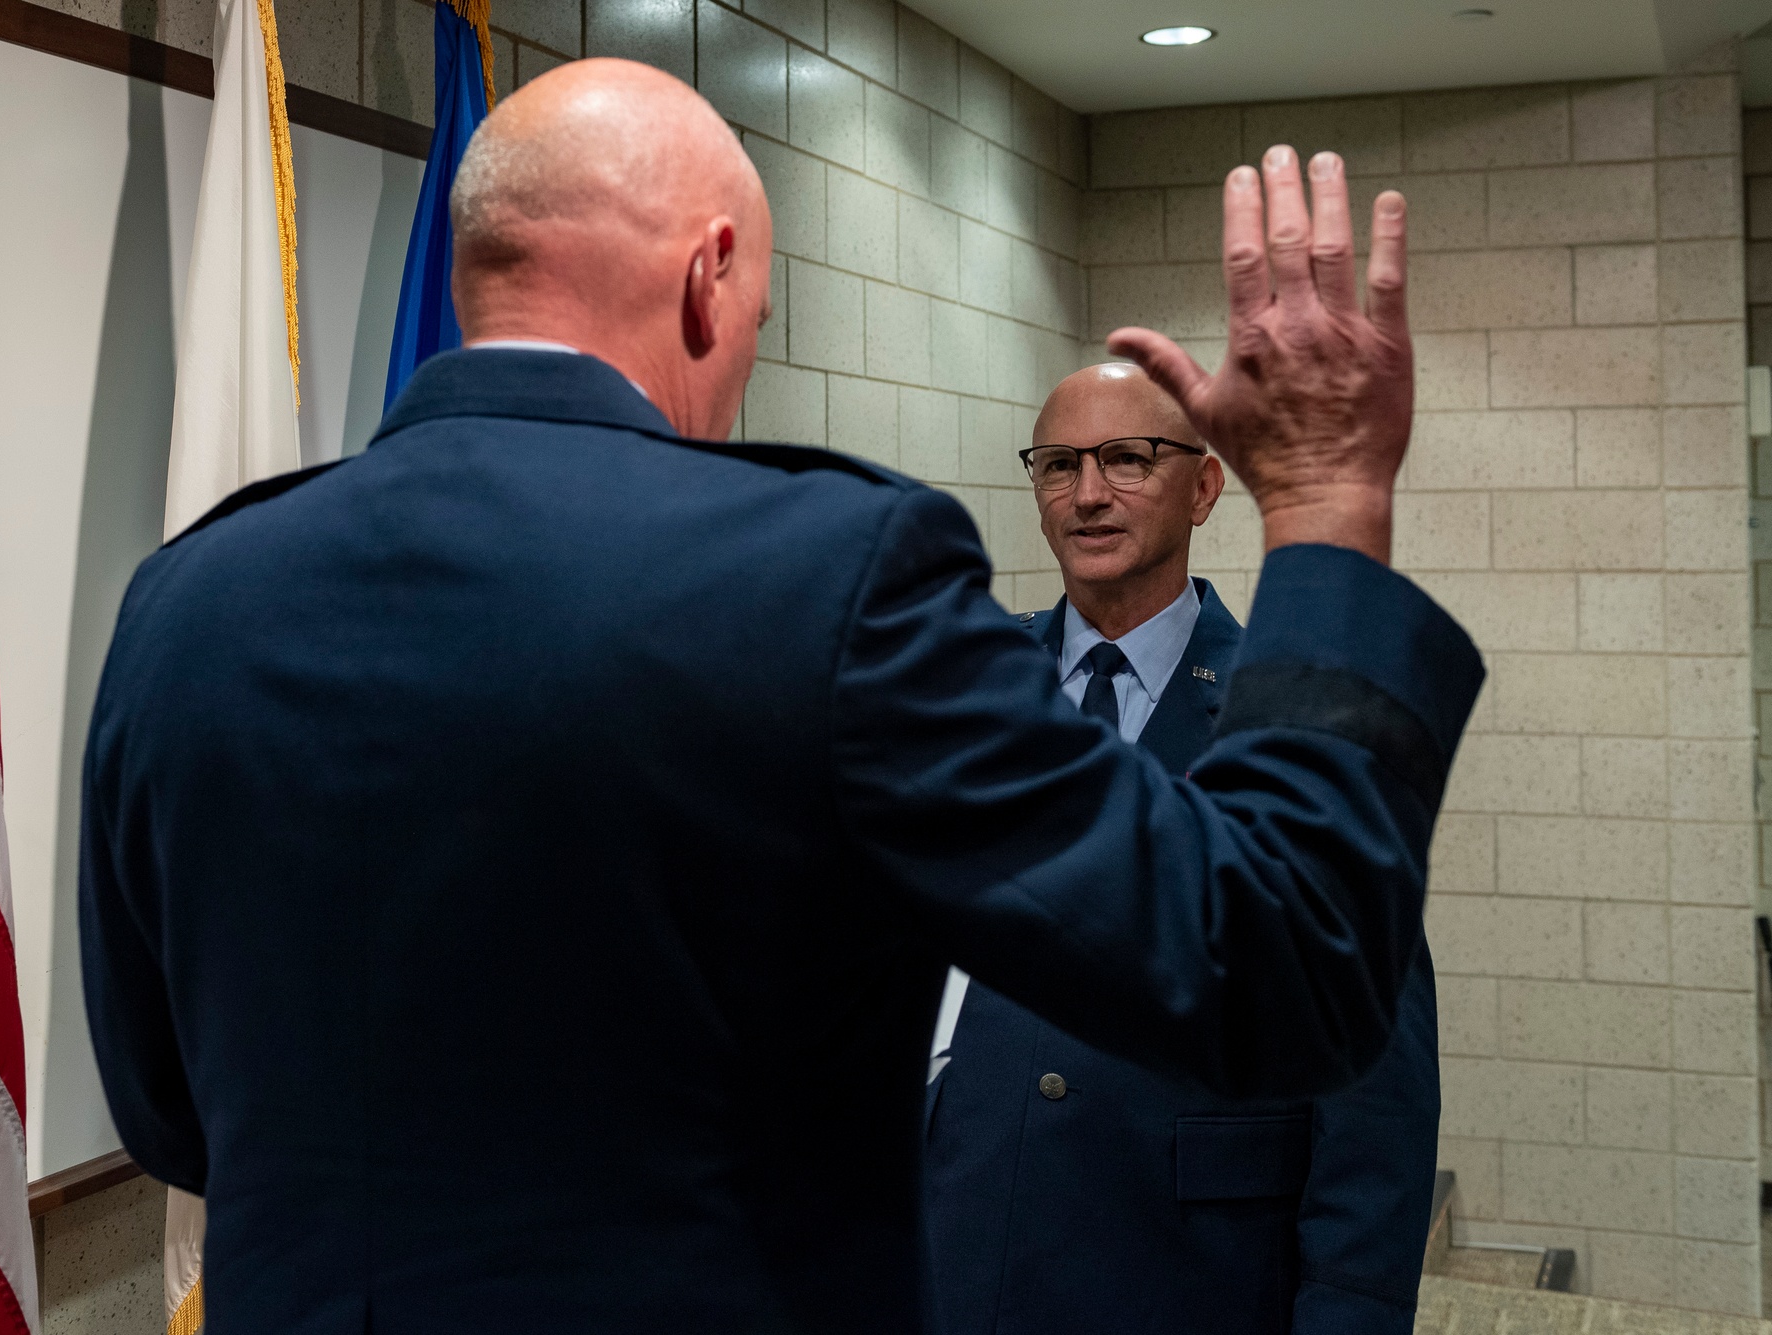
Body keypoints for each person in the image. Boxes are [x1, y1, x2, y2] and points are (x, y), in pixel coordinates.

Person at [78, 58, 1480, 1333]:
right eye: (755, 315)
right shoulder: (830, 578)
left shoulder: (188, 599)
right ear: (709, 275)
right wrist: (1327, 495)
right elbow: (1282, 964)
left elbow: (168, 1109)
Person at [924, 363, 1440, 1335]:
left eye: (1126, 459)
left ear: (1203, 487)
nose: (1086, 494)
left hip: (1184, 1276)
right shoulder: (965, 685)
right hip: (958, 1246)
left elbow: (1372, 1095)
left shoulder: (1301, 717)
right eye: (1058, 465)